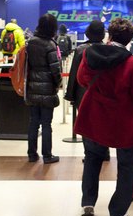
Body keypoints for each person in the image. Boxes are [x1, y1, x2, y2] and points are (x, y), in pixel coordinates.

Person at [74, 17, 133, 216]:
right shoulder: (132, 63)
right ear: (129, 40)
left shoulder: (90, 54)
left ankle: (88, 202)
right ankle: (117, 211)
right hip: (123, 120)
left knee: (92, 159)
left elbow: (82, 79)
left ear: (109, 34)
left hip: (95, 116)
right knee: (127, 165)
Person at [25, 13, 63, 164]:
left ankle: (32, 154)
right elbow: (55, 70)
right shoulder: (50, 45)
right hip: (47, 89)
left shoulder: (31, 42)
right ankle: (47, 155)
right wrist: (58, 83)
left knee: (33, 122)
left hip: (32, 87)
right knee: (46, 123)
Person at [65, 19, 105, 109]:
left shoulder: (80, 50)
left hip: (82, 93)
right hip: (102, 93)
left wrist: (70, 95)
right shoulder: (108, 50)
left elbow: (74, 74)